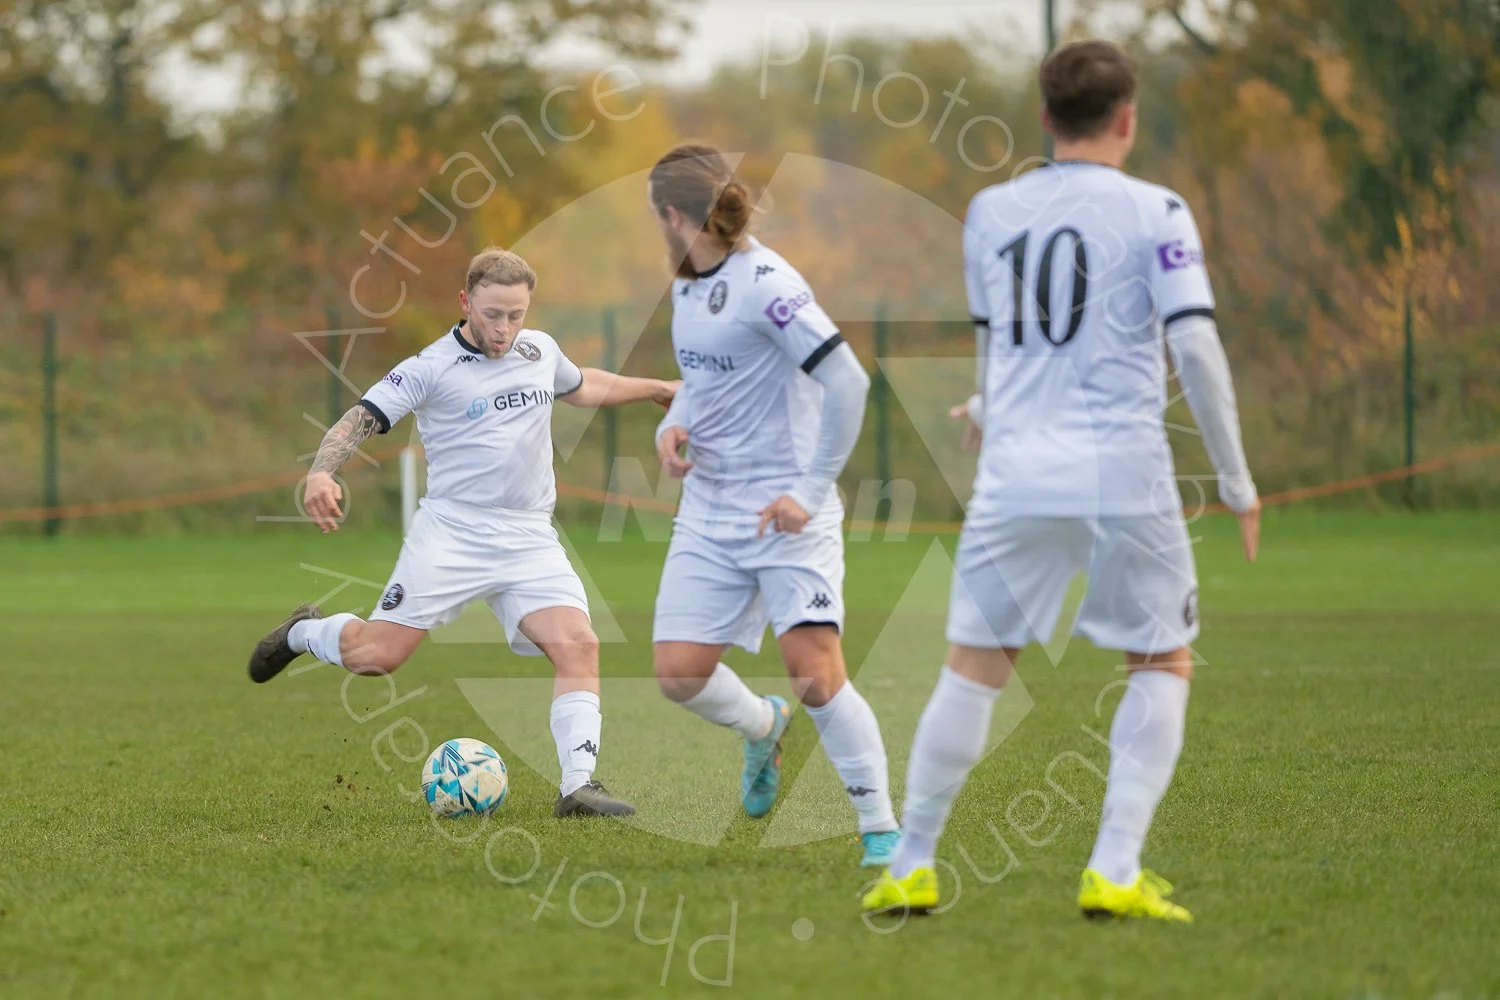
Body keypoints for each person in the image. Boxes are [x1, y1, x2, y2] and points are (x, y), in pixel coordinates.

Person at [861, 40, 1261, 921]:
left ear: (1044, 118)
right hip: (1124, 472)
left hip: (1017, 475)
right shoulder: (1158, 208)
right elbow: (1192, 344)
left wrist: (988, 409)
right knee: (1159, 657)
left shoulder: (991, 210)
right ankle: (1113, 868)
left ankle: (912, 864)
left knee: (972, 669)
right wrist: (1236, 481)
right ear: (1127, 118)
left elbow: (1008, 344)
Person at [246, 247, 677, 819]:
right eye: (493, 313)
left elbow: (583, 385)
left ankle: (578, 787)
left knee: (580, 645)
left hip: (528, 537)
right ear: (466, 302)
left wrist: (654, 387)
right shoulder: (431, 366)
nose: (504, 328)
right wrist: (322, 471)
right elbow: (361, 418)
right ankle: (304, 632)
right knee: (378, 657)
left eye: (516, 314)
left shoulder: (538, 349)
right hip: (452, 534)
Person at [647, 144, 900, 868]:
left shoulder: (767, 282)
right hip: (710, 509)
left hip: (786, 510)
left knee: (814, 671)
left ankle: (881, 829)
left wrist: (809, 492)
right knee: (678, 673)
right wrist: (674, 426)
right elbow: (700, 377)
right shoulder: (688, 286)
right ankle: (763, 728)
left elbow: (848, 382)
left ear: (672, 214)